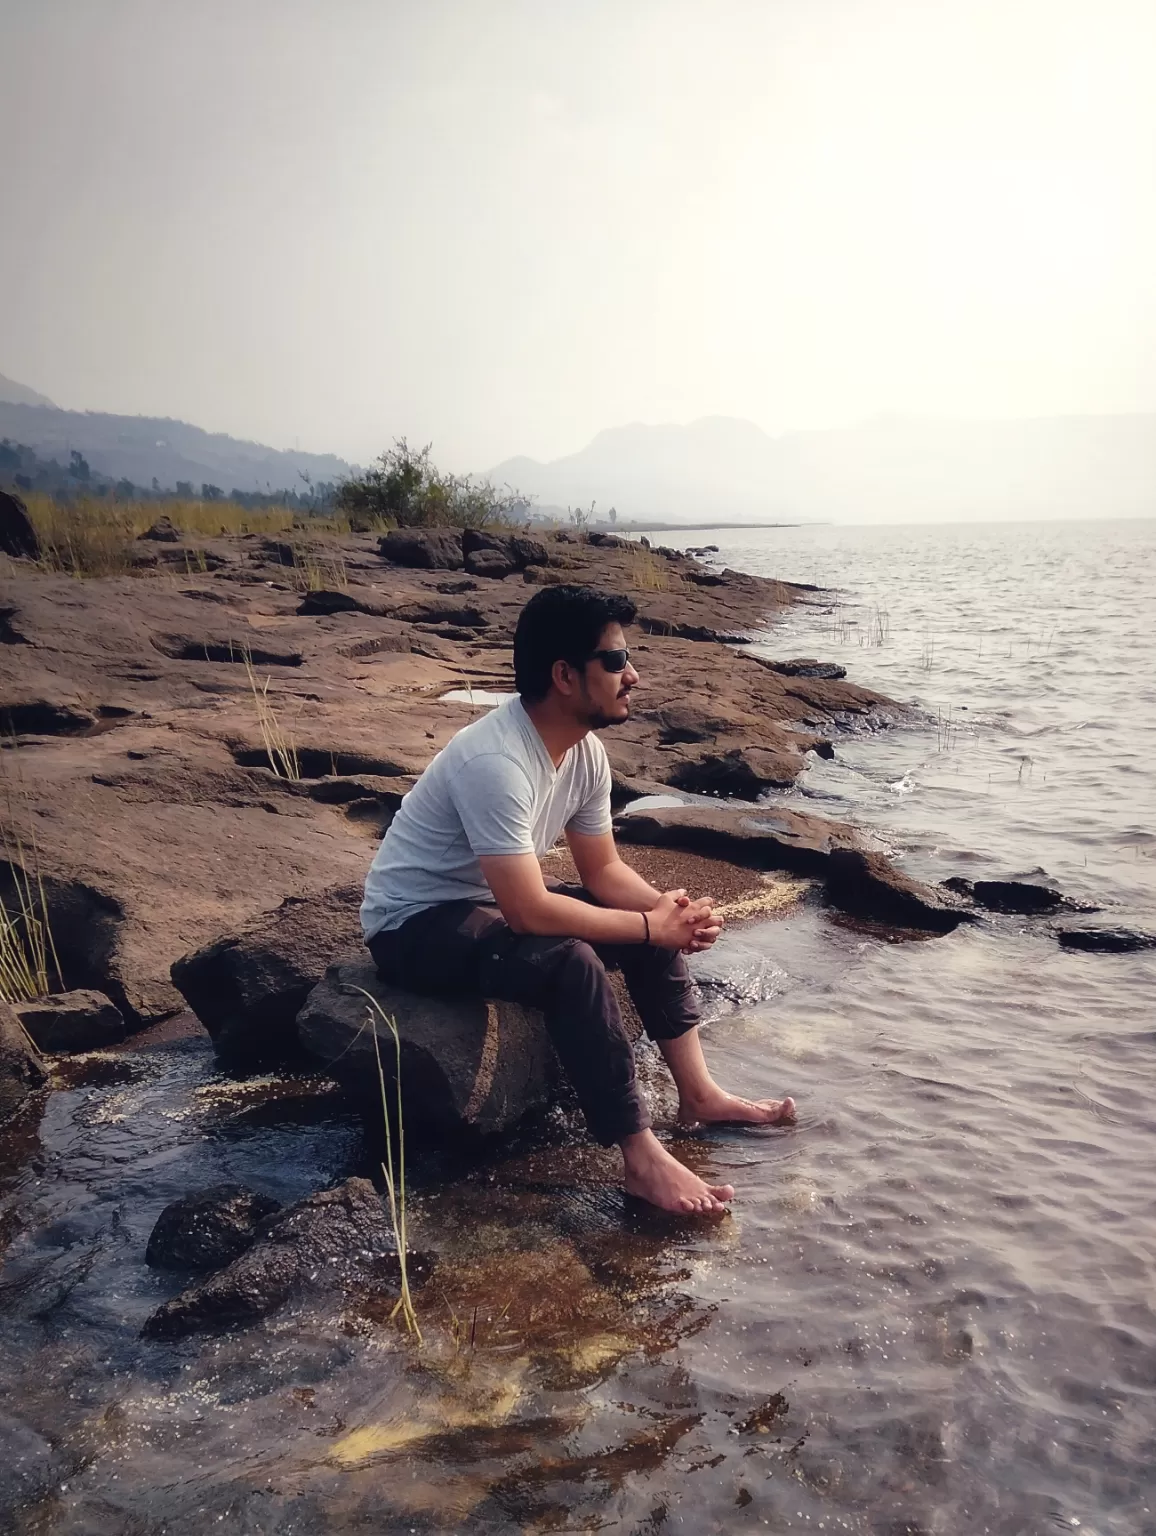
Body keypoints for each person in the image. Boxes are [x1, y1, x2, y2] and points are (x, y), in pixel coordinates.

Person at [361, 584, 795, 1215]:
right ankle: (641, 1159)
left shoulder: (583, 752)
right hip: (414, 924)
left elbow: (603, 869)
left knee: (643, 923)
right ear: (564, 675)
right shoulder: (496, 761)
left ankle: (698, 1094)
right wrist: (649, 928)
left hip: (486, 900)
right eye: (615, 662)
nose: (634, 676)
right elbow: (528, 913)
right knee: (573, 962)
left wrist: (669, 914)